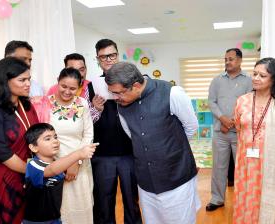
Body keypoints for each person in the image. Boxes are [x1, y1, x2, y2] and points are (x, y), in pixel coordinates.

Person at [105, 62, 200, 224]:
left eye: (118, 93)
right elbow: (132, 136)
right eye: (112, 93)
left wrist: (170, 151)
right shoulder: (121, 106)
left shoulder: (171, 93)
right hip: (146, 181)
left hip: (177, 178)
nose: (115, 98)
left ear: (135, 86)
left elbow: (191, 127)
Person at [233, 58, 275, 223]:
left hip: (274, 163)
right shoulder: (243, 101)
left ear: (274, 79)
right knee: (249, 197)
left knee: (271, 197)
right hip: (247, 162)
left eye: (262, 75)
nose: (255, 78)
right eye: (254, 74)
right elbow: (239, 129)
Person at [31, 68, 94, 223]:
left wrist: (76, 162)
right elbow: (40, 137)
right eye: (63, 86)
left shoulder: (82, 103)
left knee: (82, 208)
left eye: (73, 88)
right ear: (58, 81)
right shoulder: (44, 103)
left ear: (79, 88)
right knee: (59, 208)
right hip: (55, 166)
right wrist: (59, 165)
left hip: (80, 166)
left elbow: (88, 135)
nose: (67, 91)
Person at [91, 39, 141, 224]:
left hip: (129, 152)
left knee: (132, 202)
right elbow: (86, 122)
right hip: (103, 154)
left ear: (118, 55)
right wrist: (96, 109)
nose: (109, 59)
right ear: (98, 59)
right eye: (104, 57)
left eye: (112, 55)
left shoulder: (134, 82)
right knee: (103, 203)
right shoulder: (91, 85)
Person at [23, 123, 97, 224]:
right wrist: (79, 154)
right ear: (34, 147)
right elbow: (51, 170)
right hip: (36, 221)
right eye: (48, 139)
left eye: (55, 137)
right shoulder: (33, 165)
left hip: (55, 218)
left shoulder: (57, 163)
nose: (55, 141)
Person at [206, 48, 252, 211]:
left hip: (240, 133)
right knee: (218, 167)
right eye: (225, 59)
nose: (227, 62)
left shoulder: (249, 80)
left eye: (231, 59)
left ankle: (243, 201)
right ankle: (217, 199)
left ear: (240, 60)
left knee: (242, 169)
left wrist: (232, 123)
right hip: (220, 133)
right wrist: (223, 120)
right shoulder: (217, 80)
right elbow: (212, 102)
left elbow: (249, 104)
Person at [0, 57, 39, 223]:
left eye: (29, 79)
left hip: (29, 176)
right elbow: (2, 152)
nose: (28, 84)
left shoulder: (26, 105)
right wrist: (34, 171)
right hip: (8, 178)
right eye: (22, 80)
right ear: (4, 81)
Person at [47, 53, 105, 122]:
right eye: (73, 70)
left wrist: (96, 109)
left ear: (86, 69)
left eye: (82, 70)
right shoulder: (53, 90)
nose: (79, 74)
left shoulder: (94, 88)